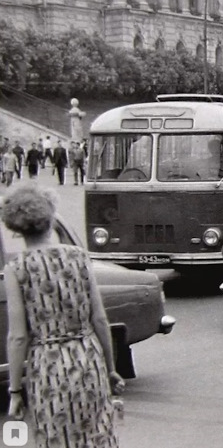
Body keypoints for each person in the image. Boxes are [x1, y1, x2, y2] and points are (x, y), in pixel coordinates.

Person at [2, 184, 123, 446]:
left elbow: (18, 338)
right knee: (97, 435)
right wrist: (111, 369)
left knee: (57, 436)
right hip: (87, 358)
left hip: (47, 366)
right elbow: (100, 319)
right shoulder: (79, 257)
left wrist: (14, 390)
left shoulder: (17, 268)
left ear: (16, 228)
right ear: (50, 219)